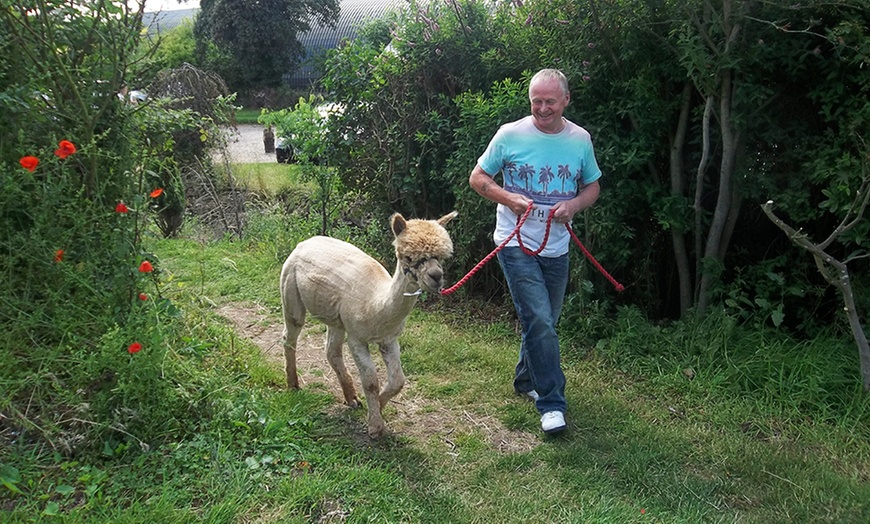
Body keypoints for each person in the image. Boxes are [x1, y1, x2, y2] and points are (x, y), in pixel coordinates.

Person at [469, 68, 602, 434]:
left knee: (545, 320)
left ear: (565, 100)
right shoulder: (509, 135)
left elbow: (593, 187)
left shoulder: (580, 139)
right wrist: (508, 198)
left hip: (557, 246)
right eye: (536, 101)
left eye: (550, 101)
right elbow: (478, 178)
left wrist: (573, 206)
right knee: (540, 320)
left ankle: (526, 380)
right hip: (514, 242)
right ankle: (552, 404)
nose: (542, 108)